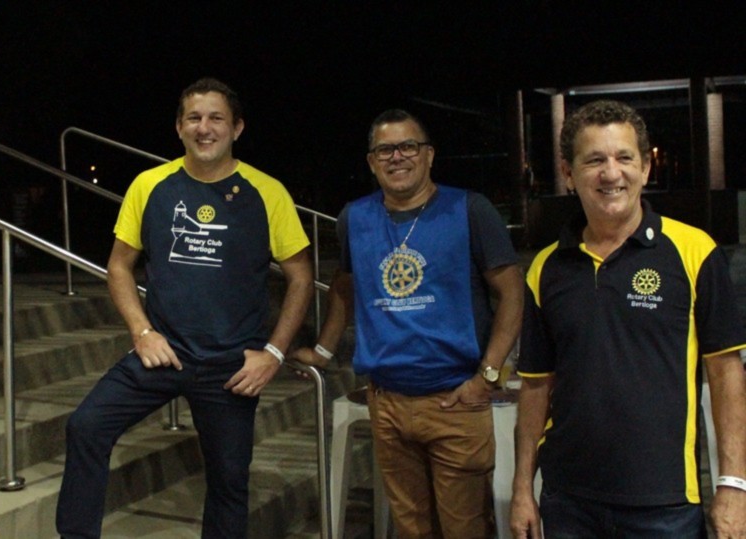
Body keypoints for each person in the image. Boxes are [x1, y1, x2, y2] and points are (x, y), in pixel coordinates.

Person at [55, 78, 313, 538]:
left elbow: (301, 277)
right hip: (163, 354)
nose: (204, 128)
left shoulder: (267, 192)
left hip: (231, 365)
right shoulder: (150, 185)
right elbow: (119, 267)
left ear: (237, 128)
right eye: (193, 118)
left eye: (216, 118)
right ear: (179, 127)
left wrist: (273, 354)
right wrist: (142, 331)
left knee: (229, 482)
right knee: (86, 426)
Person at [510, 99, 746, 538]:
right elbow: (536, 386)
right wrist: (523, 487)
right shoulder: (546, 267)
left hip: (665, 504)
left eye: (624, 157)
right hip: (568, 501)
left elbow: (726, 373)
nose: (611, 173)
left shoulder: (695, 252)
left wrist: (734, 485)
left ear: (646, 168)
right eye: (594, 160)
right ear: (568, 173)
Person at [294, 109, 523, 538]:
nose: (397, 156)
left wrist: (489, 376)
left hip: (456, 401)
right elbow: (344, 285)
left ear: (429, 154)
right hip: (388, 403)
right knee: (410, 528)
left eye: (408, 146)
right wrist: (323, 351)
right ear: (371, 162)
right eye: (385, 150)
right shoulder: (354, 219)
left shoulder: (469, 210)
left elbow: (512, 292)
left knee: (465, 529)